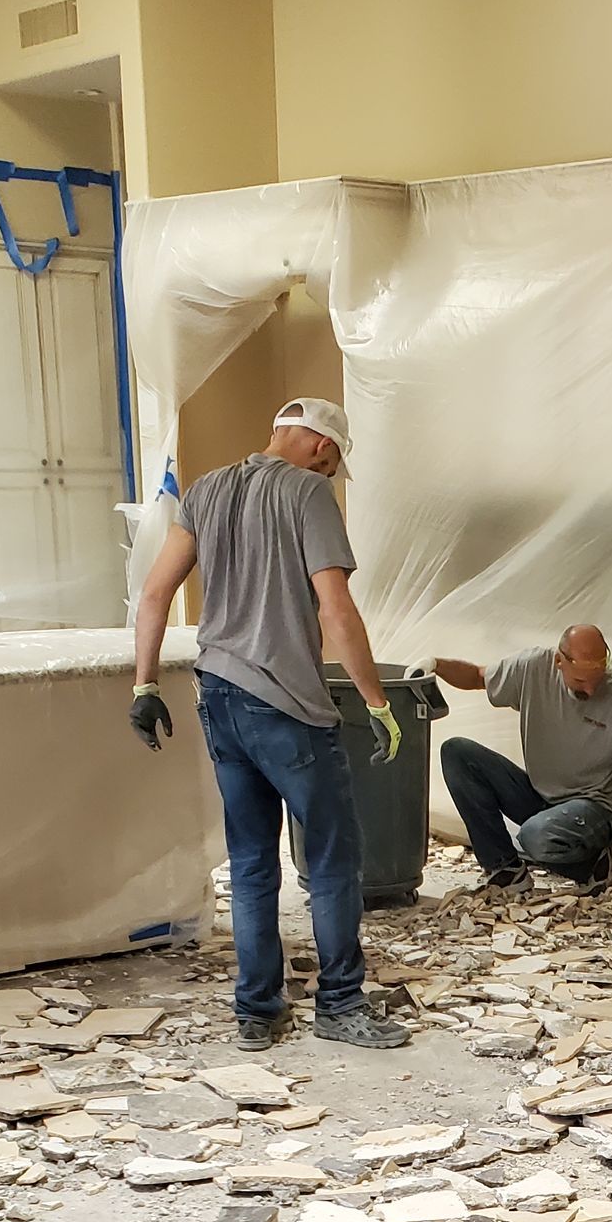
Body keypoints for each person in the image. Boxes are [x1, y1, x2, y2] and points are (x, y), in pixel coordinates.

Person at [128, 397, 409, 1050]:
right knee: (334, 859)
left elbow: (154, 592)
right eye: (335, 461)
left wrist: (143, 685)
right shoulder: (309, 497)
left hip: (220, 699)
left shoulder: (207, 489)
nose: (333, 473)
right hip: (288, 708)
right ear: (319, 445)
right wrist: (375, 700)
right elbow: (336, 610)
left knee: (253, 862)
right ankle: (340, 1005)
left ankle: (259, 1011)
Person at [433, 626, 612, 895]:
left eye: (596, 678)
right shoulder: (533, 668)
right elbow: (476, 676)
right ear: (559, 661)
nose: (590, 690)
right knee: (457, 753)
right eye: (580, 681)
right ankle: (506, 871)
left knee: (535, 837)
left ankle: (592, 864)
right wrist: (435, 665)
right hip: (543, 797)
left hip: (597, 808)